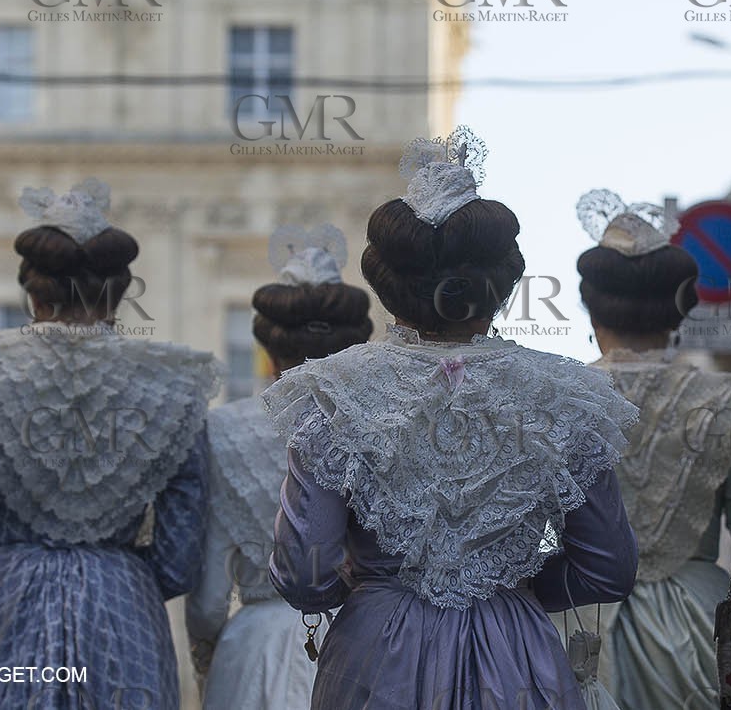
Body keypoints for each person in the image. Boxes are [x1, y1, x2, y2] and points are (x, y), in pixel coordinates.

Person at [266, 128, 640, 710]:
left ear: (386, 284)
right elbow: (608, 568)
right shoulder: (568, 395)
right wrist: (509, 585)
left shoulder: (332, 392)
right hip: (516, 656)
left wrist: (369, 587)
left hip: (374, 656)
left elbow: (302, 572)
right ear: (502, 283)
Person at [0, 179, 218, 710]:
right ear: (120, 293)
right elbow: (179, 562)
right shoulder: (173, 388)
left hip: (4, 602)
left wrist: (7, 562)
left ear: (32, 294)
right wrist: (116, 572)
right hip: (122, 605)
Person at [560, 190, 731, 710]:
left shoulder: (563, 400)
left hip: (582, 622)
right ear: (682, 309)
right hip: (699, 628)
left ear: (591, 309)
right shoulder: (723, 400)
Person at [186, 223, 373, 709]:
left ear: (267, 350)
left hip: (252, 651)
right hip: (363, 645)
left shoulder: (219, 431)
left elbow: (207, 601)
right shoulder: (382, 425)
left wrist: (207, 652)